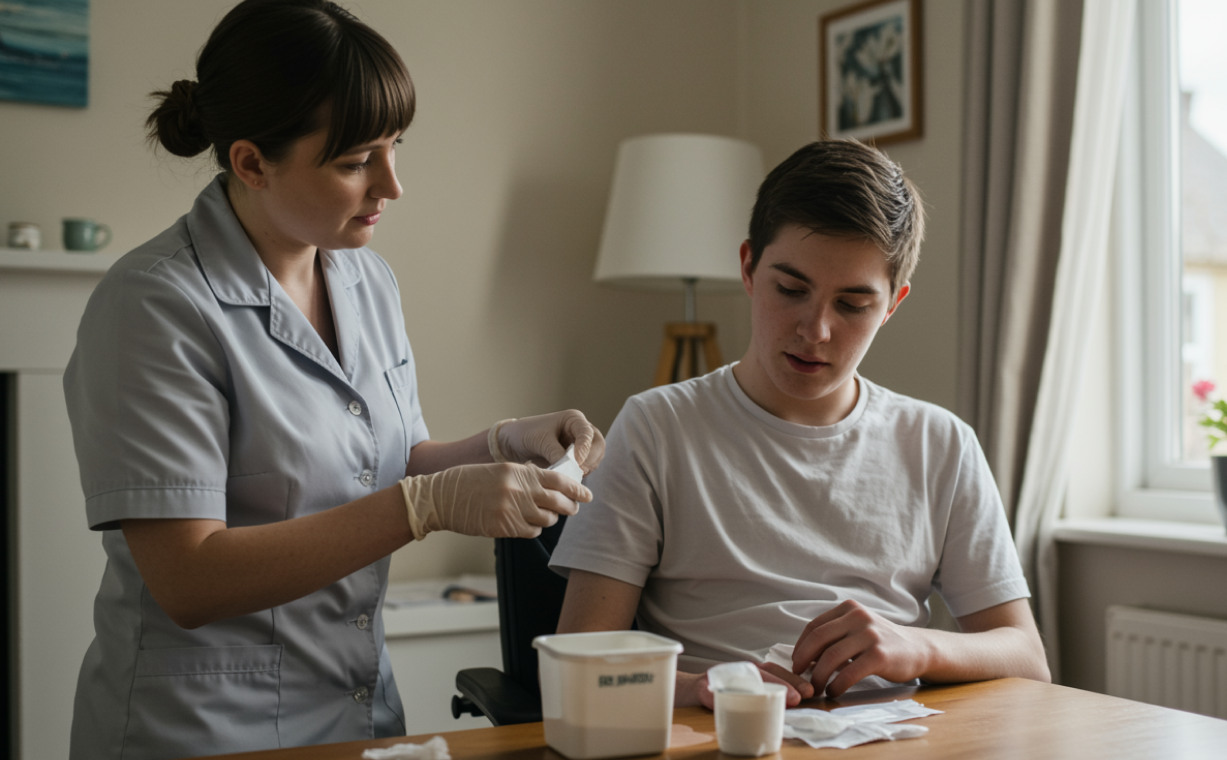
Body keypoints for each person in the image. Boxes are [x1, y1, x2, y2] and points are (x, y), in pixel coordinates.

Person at [62, 2, 603, 758]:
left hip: (357, 712)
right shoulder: (153, 305)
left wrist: (503, 442)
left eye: (393, 150)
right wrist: (427, 507)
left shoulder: (365, 279)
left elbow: (390, 460)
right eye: (356, 162)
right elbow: (187, 579)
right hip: (206, 729)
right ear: (251, 162)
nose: (392, 185)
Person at [550, 139, 1050, 710]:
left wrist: (915, 647)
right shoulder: (658, 428)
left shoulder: (941, 443)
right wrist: (699, 689)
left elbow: (1028, 660)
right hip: (725, 736)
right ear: (748, 267)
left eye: (853, 305)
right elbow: (580, 662)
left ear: (892, 304)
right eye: (791, 290)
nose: (815, 330)